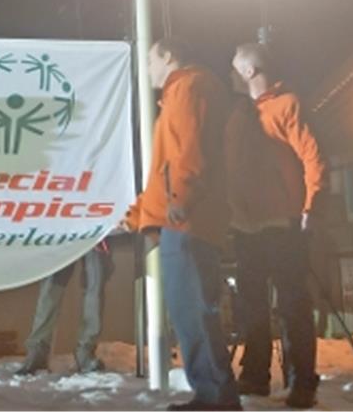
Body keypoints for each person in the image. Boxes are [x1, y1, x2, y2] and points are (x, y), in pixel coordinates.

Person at [121, 37, 239, 412]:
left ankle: (216, 396)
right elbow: (166, 168)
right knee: (189, 311)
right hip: (183, 218)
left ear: (168, 56)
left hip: (188, 221)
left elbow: (189, 150)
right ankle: (212, 392)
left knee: (193, 311)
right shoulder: (182, 92)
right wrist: (137, 216)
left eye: (150, 60)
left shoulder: (189, 87)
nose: (147, 68)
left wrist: (180, 201)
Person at [224, 42, 324, 409]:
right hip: (245, 223)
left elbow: (313, 156)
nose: (230, 73)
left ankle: (301, 382)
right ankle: (255, 375)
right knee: (251, 304)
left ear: (250, 71)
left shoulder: (287, 105)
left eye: (234, 67)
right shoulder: (239, 116)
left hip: (282, 221)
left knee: (292, 303)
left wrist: (311, 205)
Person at [15, 243, 114, 374]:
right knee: (50, 287)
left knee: (95, 284)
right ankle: (37, 351)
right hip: (64, 229)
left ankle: (85, 352)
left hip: (97, 229)